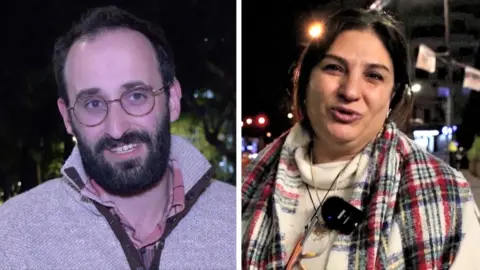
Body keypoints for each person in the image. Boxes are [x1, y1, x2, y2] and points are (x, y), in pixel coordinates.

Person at [242, 8, 480, 270]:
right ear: (307, 80)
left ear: (393, 95)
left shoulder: (446, 195)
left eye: (374, 76)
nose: (350, 91)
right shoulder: (252, 182)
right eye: (334, 68)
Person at [0, 6, 236, 269]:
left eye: (136, 96)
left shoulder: (239, 220)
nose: (117, 129)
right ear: (67, 117)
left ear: (173, 100)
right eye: (93, 104)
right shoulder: (12, 235)